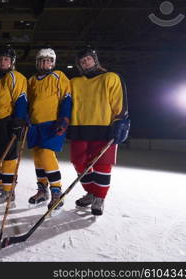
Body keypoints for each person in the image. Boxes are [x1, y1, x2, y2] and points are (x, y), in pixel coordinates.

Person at [69, 47, 130, 215]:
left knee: (102, 165)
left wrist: (120, 122)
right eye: (82, 61)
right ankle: (91, 192)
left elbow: (119, 102)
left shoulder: (110, 77)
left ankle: (99, 198)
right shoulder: (74, 82)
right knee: (79, 163)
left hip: (104, 128)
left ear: (95, 59)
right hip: (79, 127)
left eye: (88, 59)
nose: (85, 62)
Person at [26, 48, 72, 210]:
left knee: (46, 155)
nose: (45, 63)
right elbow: (28, 102)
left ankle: (56, 192)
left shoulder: (59, 76)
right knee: (38, 158)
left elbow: (67, 98)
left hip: (52, 123)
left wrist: (64, 118)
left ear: (52, 62)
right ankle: (42, 190)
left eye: (48, 60)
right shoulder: (32, 80)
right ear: (37, 62)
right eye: (41, 60)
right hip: (35, 125)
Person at [0, 46, 28, 205]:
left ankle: (9, 191)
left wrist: (18, 120)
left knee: (8, 156)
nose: (3, 62)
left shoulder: (16, 77)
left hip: (8, 121)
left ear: (12, 62)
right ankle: (0, 184)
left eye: (6, 59)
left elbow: (21, 99)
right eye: (1, 59)